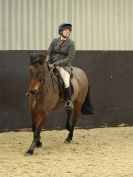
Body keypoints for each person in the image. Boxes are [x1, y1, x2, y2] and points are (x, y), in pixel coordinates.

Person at [47, 23, 75, 110]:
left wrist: (59, 63)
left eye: (69, 31)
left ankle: (69, 101)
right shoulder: (54, 41)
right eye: (66, 30)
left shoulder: (71, 43)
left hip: (64, 66)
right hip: (52, 64)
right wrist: (48, 60)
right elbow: (49, 52)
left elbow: (69, 58)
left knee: (66, 80)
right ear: (61, 31)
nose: (67, 32)